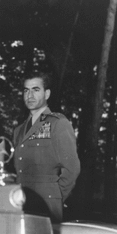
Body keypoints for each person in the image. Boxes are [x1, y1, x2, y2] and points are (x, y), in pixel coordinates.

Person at [13, 70, 80, 223]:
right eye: (26, 90)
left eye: (36, 90)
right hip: (21, 204)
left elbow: (72, 169)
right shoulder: (19, 130)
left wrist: (55, 197)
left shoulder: (58, 123)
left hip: (46, 206)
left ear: (47, 94)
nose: (30, 95)